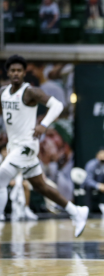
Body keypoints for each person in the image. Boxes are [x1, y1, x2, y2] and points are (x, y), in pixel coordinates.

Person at [0, 55, 88, 235]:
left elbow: (56, 105)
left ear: (24, 73)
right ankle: (76, 211)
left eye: (19, 70)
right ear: (7, 72)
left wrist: (44, 124)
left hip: (26, 146)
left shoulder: (30, 91)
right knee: (41, 186)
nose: (16, 73)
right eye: (12, 70)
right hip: (13, 146)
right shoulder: (3, 92)